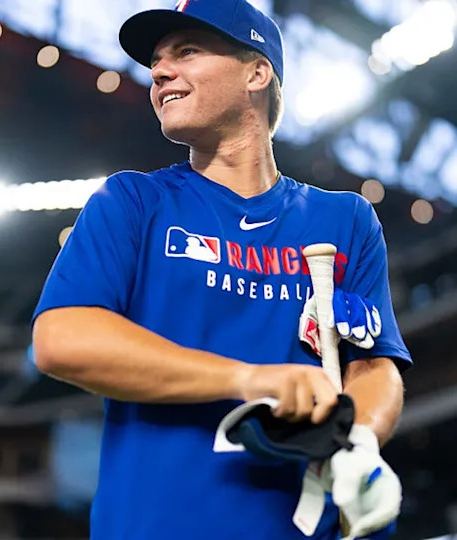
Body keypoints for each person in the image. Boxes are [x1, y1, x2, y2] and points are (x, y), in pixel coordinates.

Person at [31, 1, 413, 538]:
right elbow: (60, 337)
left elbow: (374, 366)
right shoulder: (133, 202)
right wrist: (244, 379)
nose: (160, 71)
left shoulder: (346, 219)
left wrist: (360, 443)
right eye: (157, 62)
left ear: (257, 72)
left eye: (186, 51)